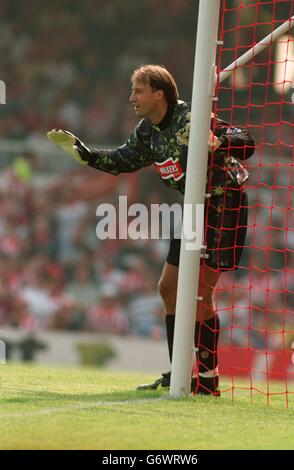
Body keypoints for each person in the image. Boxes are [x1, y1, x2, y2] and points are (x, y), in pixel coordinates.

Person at [47, 64, 255, 396]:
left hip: (223, 204)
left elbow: (247, 143)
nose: (131, 98)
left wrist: (216, 140)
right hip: (193, 210)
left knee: (200, 293)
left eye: (137, 90)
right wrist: (85, 155)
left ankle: (207, 378)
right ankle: (179, 374)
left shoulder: (191, 117)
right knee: (169, 289)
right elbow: (122, 160)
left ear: (159, 93)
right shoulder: (148, 131)